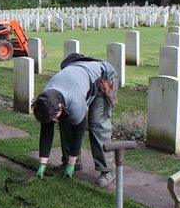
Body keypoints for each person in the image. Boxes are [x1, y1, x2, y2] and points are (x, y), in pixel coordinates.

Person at [33, 53, 118, 187]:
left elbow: (78, 135)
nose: (53, 119)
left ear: (60, 105)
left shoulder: (75, 102)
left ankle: (107, 170)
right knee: (65, 121)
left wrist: (69, 167)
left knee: (97, 124)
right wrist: (42, 165)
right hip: (79, 77)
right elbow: (46, 134)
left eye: (55, 115)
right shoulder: (46, 100)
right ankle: (72, 162)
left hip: (103, 78)